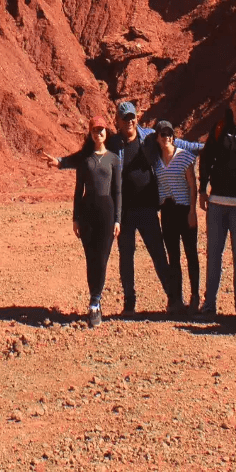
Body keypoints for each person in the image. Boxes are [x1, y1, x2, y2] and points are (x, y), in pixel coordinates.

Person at [53, 101, 197, 314]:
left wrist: (208, 146)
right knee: (126, 257)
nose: (129, 121)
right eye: (125, 118)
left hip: (147, 208)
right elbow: (86, 155)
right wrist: (61, 162)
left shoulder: (149, 137)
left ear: (136, 118)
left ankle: (173, 299)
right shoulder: (113, 143)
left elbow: (180, 143)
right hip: (124, 211)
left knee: (158, 254)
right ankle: (129, 302)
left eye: (132, 117)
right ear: (117, 122)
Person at [198, 88, 236, 321]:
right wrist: (202, 189)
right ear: (231, 105)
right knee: (214, 254)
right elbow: (206, 158)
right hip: (217, 201)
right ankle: (209, 304)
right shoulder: (220, 128)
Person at [72, 116, 121, 327]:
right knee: (91, 258)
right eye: (94, 130)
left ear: (106, 132)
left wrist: (117, 219)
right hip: (87, 213)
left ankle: (96, 300)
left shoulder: (114, 159)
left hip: (107, 212)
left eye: (101, 129)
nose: (98, 133)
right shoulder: (85, 160)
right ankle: (94, 302)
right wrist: (75, 218)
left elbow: (118, 192)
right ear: (90, 133)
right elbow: (78, 191)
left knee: (102, 259)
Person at [153, 120, 200, 311]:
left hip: (184, 209)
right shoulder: (156, 162)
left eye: (169, 134)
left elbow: (192, 186)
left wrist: (192, 211)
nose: (167, 137)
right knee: (173, 256)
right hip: (167, 212)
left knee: (191, 254)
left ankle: (195, 296)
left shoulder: (184, 156)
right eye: (163, 134)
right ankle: (176, 299)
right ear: (157, 137)